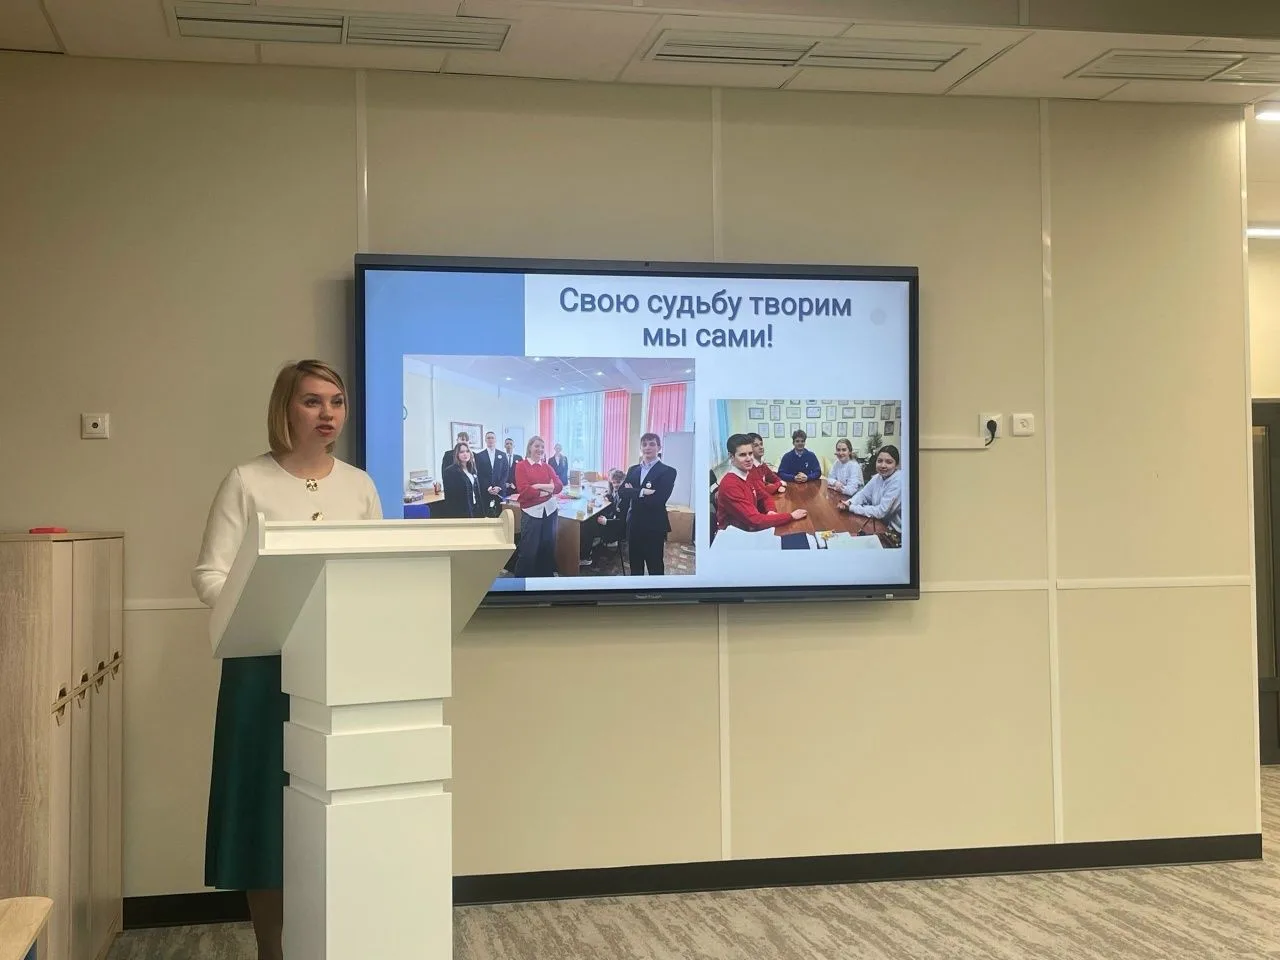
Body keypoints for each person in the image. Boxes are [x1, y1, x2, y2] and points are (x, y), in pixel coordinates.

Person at [191, 360, 382, 960]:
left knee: (337, 812)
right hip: (262, 671)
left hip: (339, 668)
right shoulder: (247, 480)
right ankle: (271, 950)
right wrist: (263, 609)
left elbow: (378, 571)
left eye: (336, 401)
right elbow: (209, 574)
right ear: (285, 409)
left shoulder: (360, 485)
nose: (328, 413)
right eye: (312, 401)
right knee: (266, 816)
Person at [716, 434, 806, 533]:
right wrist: (791, 516)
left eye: (750, 453)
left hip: (749, 529)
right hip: (735, 535)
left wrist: (770, 511)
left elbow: (765, 496)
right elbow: (755, 520)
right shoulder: (730, 485)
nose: (749, 458)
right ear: (731, 456)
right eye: (742, 455)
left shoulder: (747, 475)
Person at [618, 432, 677, 575]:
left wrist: (632, 492)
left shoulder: (668, 471)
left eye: (652, 444)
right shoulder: (633, 469)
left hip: (653, 526)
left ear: (659, 447)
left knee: (655, 566)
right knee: (635, 566)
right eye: (644, 444)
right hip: (634, 525)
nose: (647, 447)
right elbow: (622, 492)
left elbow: (658, 500)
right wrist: (642, 492)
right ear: (640, 448)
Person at [513, 435, 562, 577]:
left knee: (547, 548)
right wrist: (548, 490)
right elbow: (525, 491)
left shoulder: (547, 466)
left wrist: (538, 486)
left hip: (550, 511)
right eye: (536, 446)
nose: (540, 449)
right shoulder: (521, 466)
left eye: (542, 447)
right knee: (528, 551)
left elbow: (559, 486)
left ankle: (544, 581)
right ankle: (521, 584)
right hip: (531, 513)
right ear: (530, 447)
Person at [838, 443, 904, 535]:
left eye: (889, 462)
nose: (883, 465)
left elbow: (881, 512)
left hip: (896, 533)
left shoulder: (899, 481)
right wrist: (849, 502)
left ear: (896, 465)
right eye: (879, 461)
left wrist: (852, 508)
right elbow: (863, 494)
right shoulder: (878, 477)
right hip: (879, 524)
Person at [580, 468, 627, 566]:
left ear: (623, 481)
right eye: (613, 482)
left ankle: (585, 557)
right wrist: (607, 496)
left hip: (616, 528)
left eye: (618, 482)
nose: (615, 485)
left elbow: (623, 521)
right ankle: (589, 546)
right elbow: (614, 502)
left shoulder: (625, 496)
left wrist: (606, 521)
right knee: (591, 519)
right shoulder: (616, 491)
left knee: (587, 526)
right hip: (611, 521)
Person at [438, 440, 481, 519]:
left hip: (475, 508)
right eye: (462, 452)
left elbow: (476, 491)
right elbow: (450, 498)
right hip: (461, 512)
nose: (465, 454)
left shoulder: (472, 469)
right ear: (457, 454)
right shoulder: (450, 471)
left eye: (467, 451)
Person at [474, 431, 508, 517]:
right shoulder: (479, 456)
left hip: (499, 491)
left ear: (495, 440)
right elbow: (479, 474)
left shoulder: (503, 455)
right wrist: (488, 487)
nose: (490, 440)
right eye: (488, 438)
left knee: (500, 514)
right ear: (485, 440)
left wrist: (499, 487)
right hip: (485, 491)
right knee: (486, 514)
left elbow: (505, 473)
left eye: (492, 438)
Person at [747, 432, 785, 496]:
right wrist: (779, 484)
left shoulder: (762, 464)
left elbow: (774, 477)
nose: (761, 447)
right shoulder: (750, 467)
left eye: (761, 444)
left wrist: (778, 484)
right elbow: (763, 491)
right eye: (756, 445)